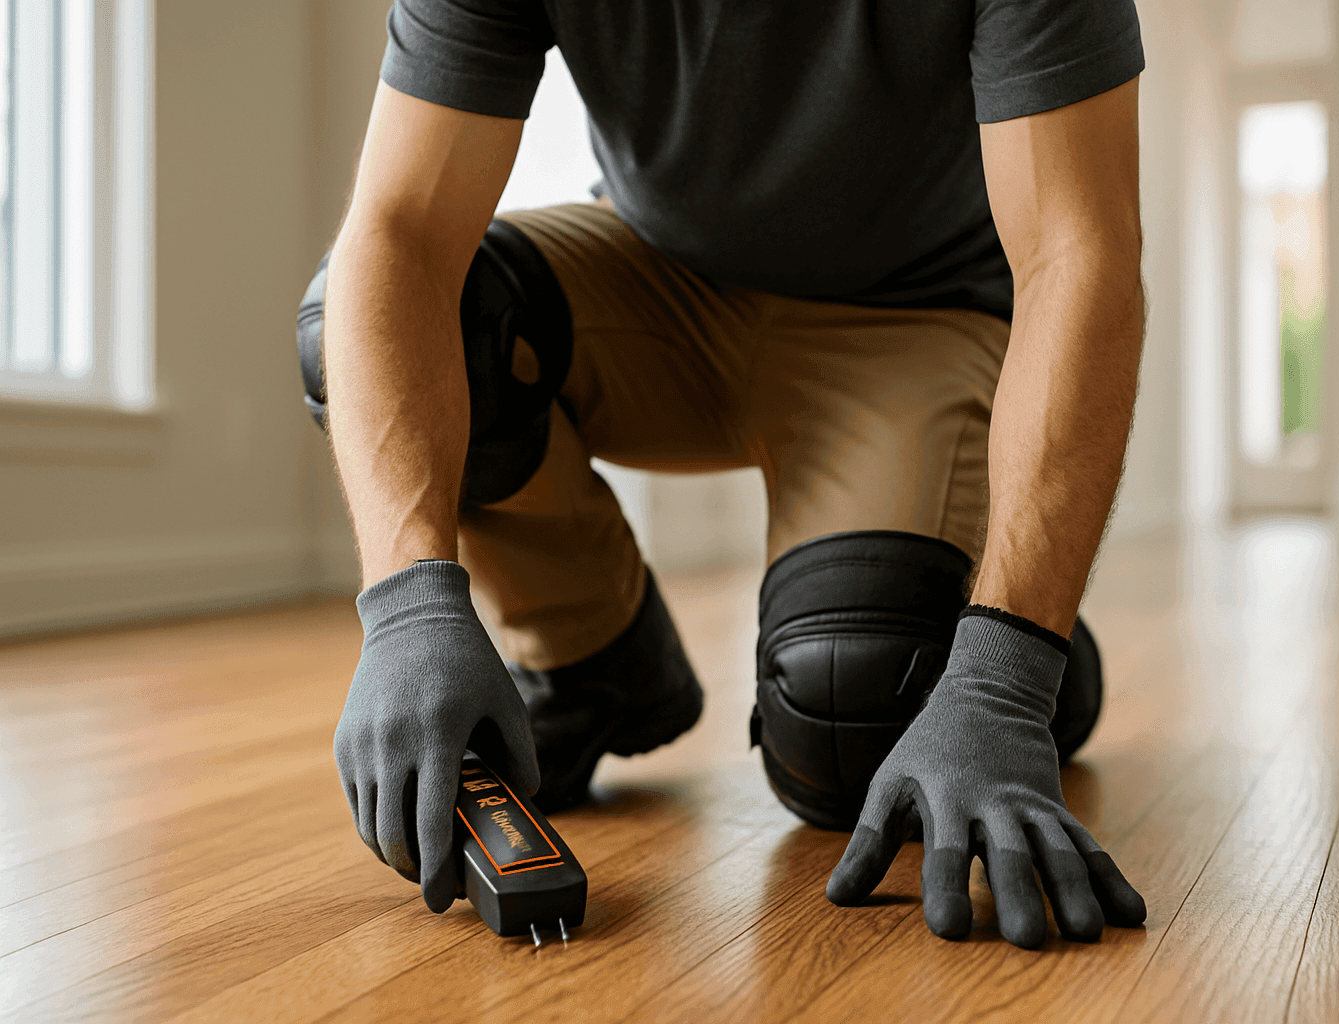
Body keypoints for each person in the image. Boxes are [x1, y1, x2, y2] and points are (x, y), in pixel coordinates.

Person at [299, 0, 1150, 949]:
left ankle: (999, 620)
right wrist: (408, 606)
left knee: (846, 726)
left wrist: (1005, 680)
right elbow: (401, 234)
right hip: (662, 281)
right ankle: (592, 654)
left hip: (912, 317)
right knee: (408, 325)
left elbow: (1080, 252)